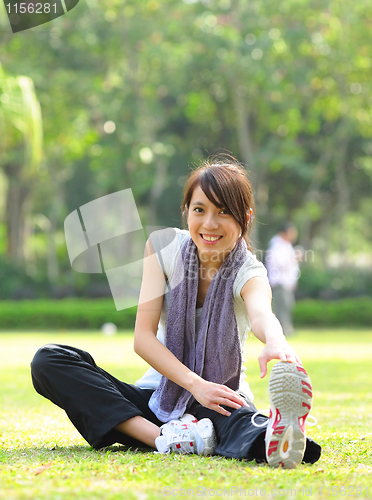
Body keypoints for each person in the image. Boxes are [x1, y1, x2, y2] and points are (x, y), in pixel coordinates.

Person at [30, 155, 321, 469]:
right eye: (200, 210)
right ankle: (164, 439)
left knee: (239, 423)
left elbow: (262, 313)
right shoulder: (162, 247)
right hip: (158, 395)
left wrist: (276, 341)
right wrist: (195, 385)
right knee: (49, 360)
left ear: (245, 218)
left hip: (219, 399)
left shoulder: (250, 272)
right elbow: (142, 338)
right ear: (187, 212)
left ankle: (279, 434)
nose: (209, 223)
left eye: (223, 211)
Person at [266, 222, 301, 336]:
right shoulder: (277, 245)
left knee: (287, 306)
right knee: (282, 307)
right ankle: (282, 331)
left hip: (286, 283)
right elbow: (280, 264)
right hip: (279, 282)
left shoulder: (286, 245)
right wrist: (294, 257)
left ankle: (285, 329)